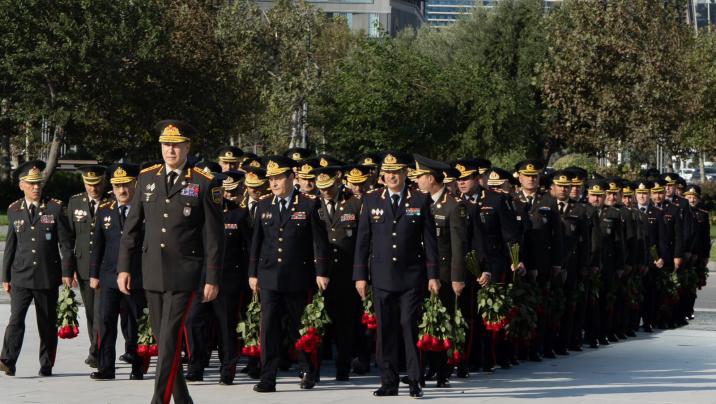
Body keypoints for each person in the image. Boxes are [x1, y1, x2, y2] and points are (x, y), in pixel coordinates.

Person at [118, 120, 224, 404]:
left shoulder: (203, 182)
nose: (170, 150)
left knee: (168, 339)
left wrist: (212, 277)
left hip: (184, 272)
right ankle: (183, 399)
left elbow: (214, 237)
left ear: (187, 147)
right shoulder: (147, 178)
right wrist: (124, 267)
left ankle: (159, 400)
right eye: (166, 145)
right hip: (152, 270)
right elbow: (132, 228)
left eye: (176, 145)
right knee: (162, 338)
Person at [353, 152, 440, 398]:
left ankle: (414, 379)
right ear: (382, 176)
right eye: (388, 173)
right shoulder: (371, 199)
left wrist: (433, 275)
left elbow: (429, 241)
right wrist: (360, 276)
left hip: (411, 276)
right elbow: (362, 241)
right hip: (382, 276)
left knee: (408, 325)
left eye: (396, 172)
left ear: (404, 174)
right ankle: (388, 381)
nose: (391, 177)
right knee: (385, 329)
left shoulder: (420, 199)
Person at [249, 155, 330, 393]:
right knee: (269, 329)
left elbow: (320, 242)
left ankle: (307, 370)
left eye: (278, 178)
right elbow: (256, 242)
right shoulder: (265, 204)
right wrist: (252, 273)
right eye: (271, 179)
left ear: (291, 177)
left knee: (300, 327)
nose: (273, 183)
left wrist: (321, 271)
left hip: (298, 276)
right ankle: (268, 376)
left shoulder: (308, 204)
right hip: (269, 276)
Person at [0, 160, 74, 377]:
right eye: (31, 183)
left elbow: (66, 244)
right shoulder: (14, 209)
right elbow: (10, 246)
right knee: (16, 320)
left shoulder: (54, 207)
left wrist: (67, 272)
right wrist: (5, 276)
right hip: (21, 275)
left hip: (46, 276)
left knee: (47, 323)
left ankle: (46, 363)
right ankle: (8, 360)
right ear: (21, 185)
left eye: (38, 183)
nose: (36, 187)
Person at [413, 154, 468, 388]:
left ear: (431, 178)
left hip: (444, 274)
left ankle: (442, 370)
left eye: (420, 176)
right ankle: (425, 367)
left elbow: (458, 246)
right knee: (423, 321)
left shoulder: (453, 205)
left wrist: (457, 278)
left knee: (443, 321)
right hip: (421, 272)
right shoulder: (418, 202)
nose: (416, 181)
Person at [89, 163, 145, 381]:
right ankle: (106, 367)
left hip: (137, 276)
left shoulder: (144, 209)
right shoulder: (105, 209)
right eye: (117, 186)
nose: (122, 190)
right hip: (110, 276)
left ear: (135, 184)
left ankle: (138, 365)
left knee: (136, 322)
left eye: (126, 185)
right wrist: (94, 274)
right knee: (106, 322)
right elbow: (98, 246)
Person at [313, 165, 363, 381]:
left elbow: (362, 241)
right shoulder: (311, 203)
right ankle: (314, 369)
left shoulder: (354, 203)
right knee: (317, 323)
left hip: (345, 273)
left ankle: (343, 367)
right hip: (318, 274)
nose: (325, 191)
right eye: (321, 187)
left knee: (345, 324)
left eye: (329, 186)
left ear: (338, 180)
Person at [68, 165, 110, 368]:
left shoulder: (111, 201)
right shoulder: (75, 202)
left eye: (98, 184)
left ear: (104, 182)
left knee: (102, 312)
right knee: (91, 312)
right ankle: (96, 346)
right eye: (89, 184)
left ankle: (96, 351)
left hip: (106, 266)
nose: (94, 189)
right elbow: (69, 239)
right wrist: (69, 268)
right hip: (84, 265)